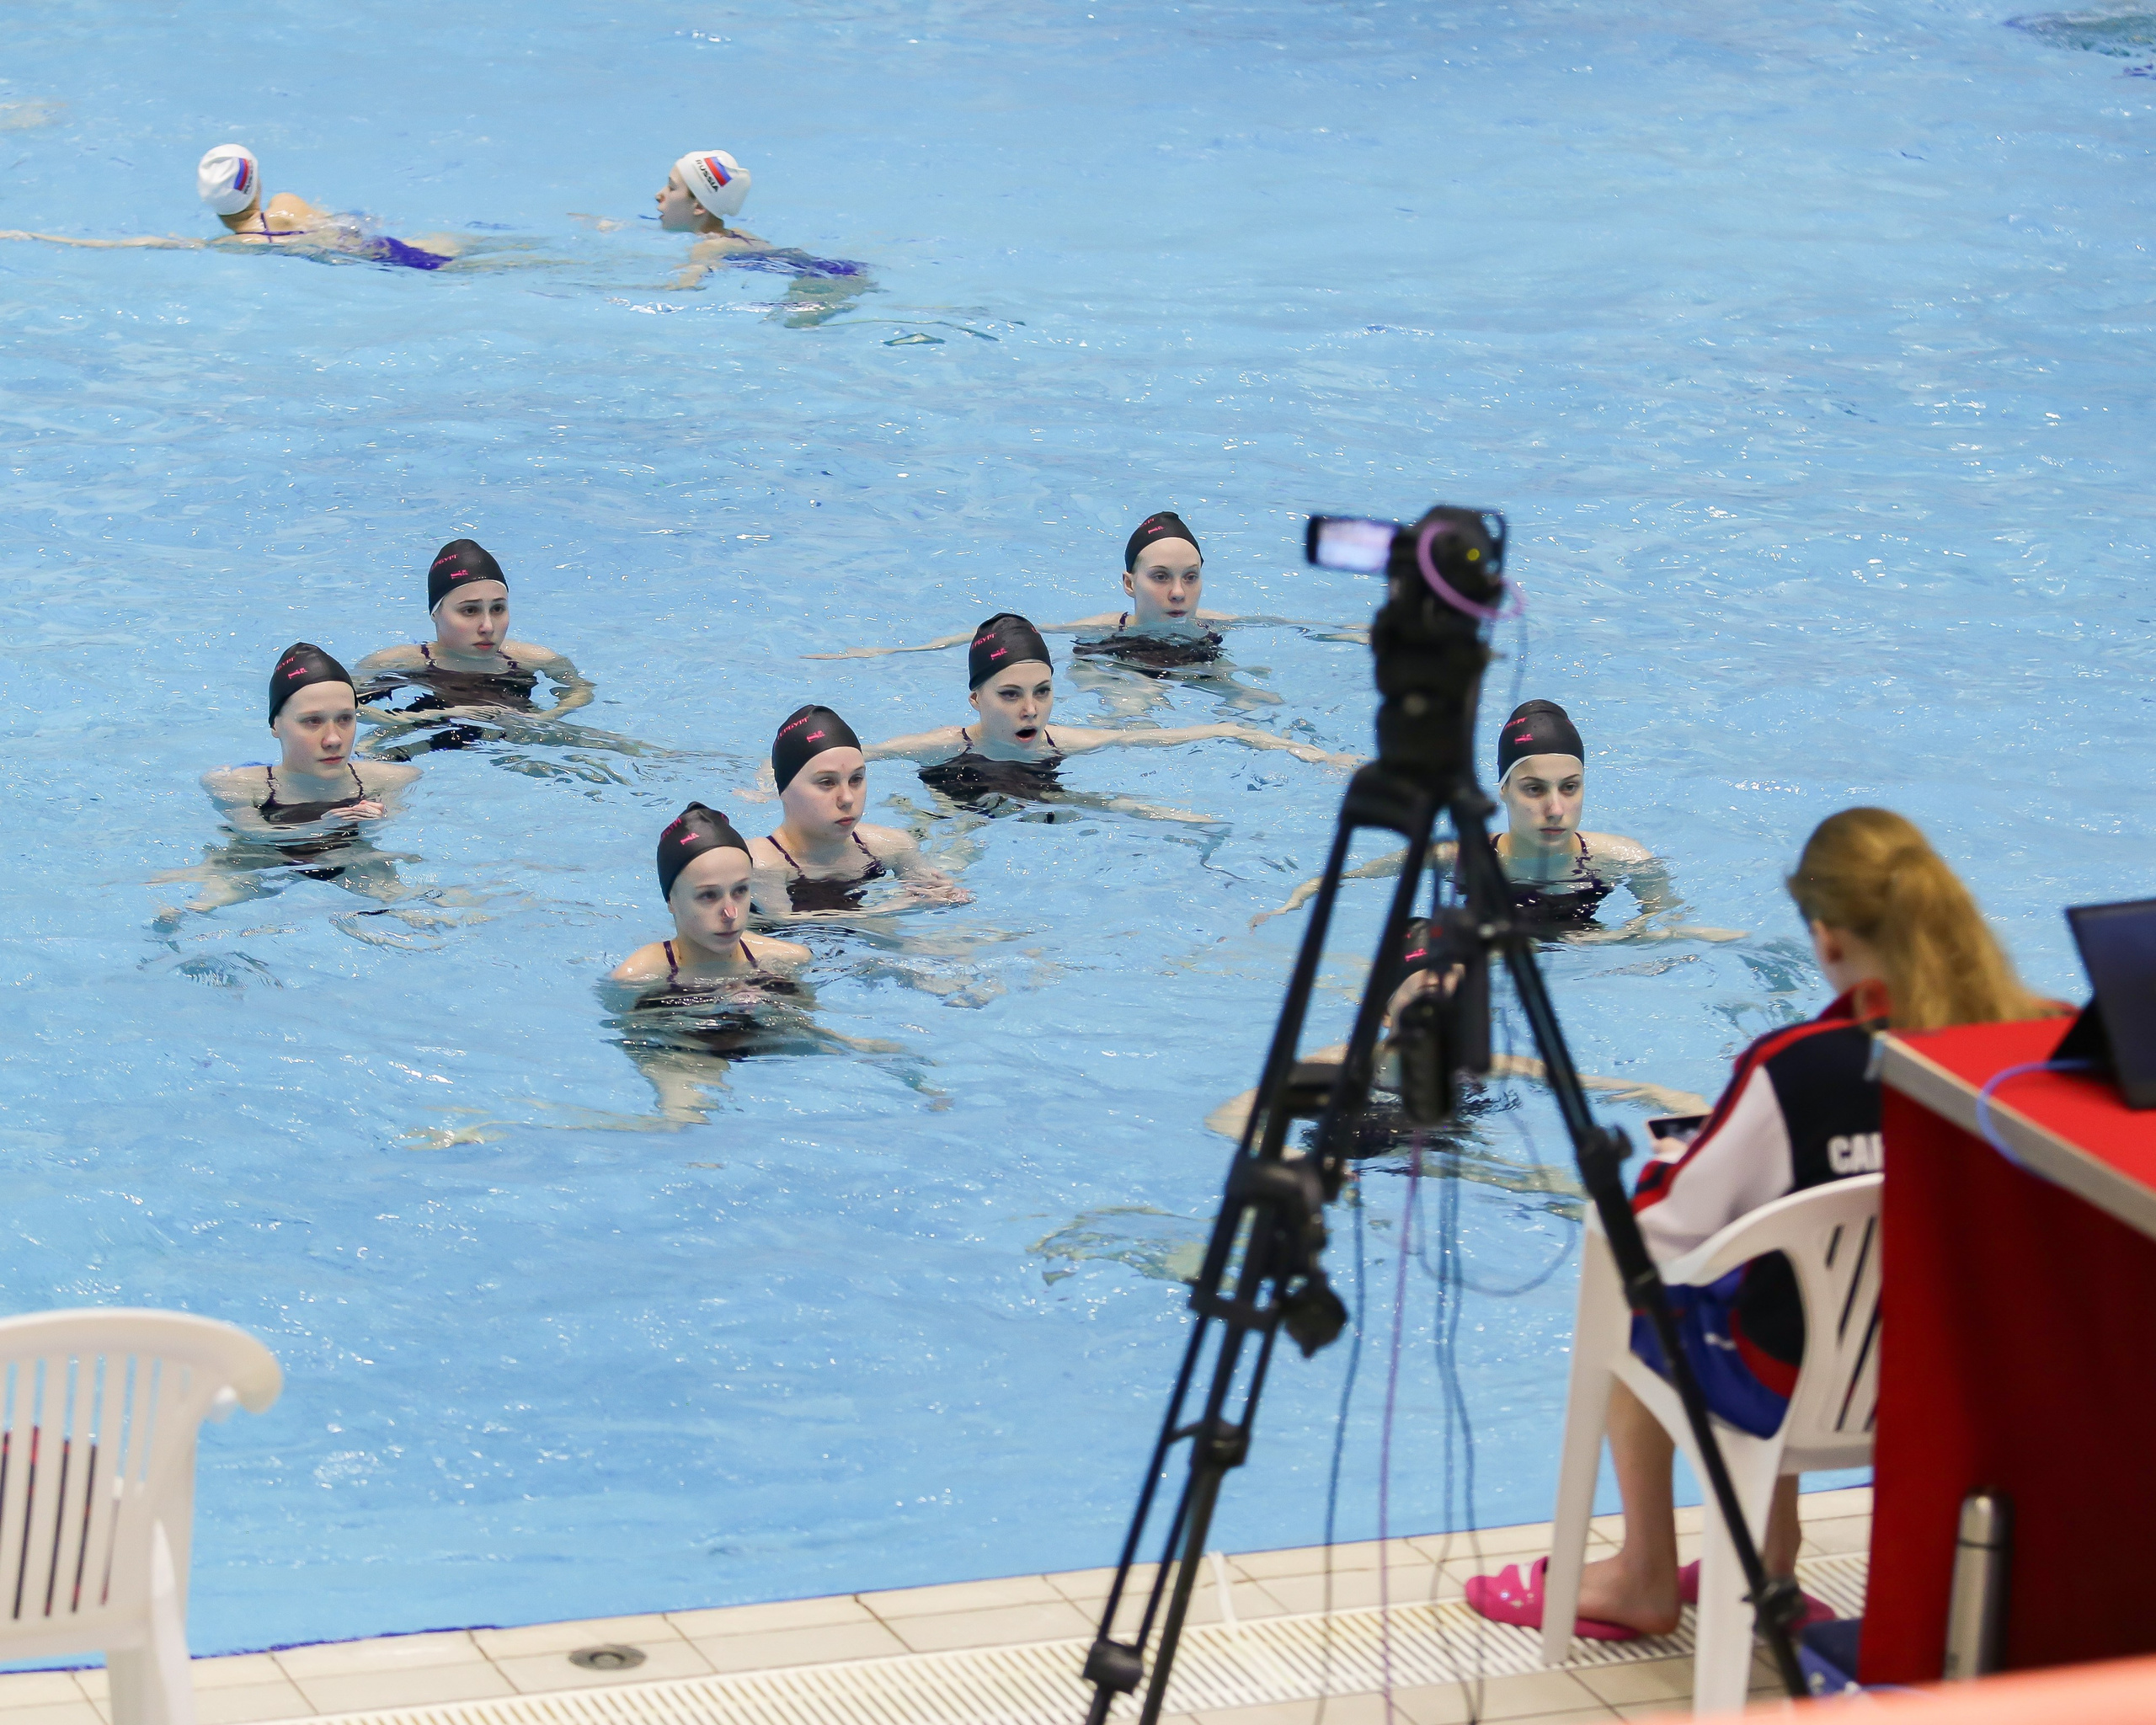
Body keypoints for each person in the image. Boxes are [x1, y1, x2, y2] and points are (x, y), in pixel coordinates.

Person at [1464, 807, 2061, 1641]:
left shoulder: (1799, 1068)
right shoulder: (2037, 1039)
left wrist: (1669, 1165)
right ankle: (1767, 1558)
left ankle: (1643, 1573)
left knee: (1644, 1295)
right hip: (1965, 1379)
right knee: (1776, 1281)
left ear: (1826, 939)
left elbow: (1668, 1230)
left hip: (1809, 1387)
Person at [1251, 700, 1690, 934]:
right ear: (1502, 792)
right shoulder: (1456, 858)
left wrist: (1609, 942)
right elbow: (1346, 879)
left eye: (1569, 787)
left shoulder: (1625, 860)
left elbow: (1668, 923)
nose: (1555, 808)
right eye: (1534, 789)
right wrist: (1291, 902)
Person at [863, 612, 1356, 809]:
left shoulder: (1062, 742)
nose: (1032, 710)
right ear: (976, 700)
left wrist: (1300, 750)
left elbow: (1210, 730)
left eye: (1043, 691)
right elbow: (849, 757)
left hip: (1035, 797)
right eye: (1010, 695)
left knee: (1163, 817)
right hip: (956, 800)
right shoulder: (947, 745)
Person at [354, 539, 591, 750]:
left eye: (498, 608)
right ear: (436, 613)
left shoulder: (535, 658)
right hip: (429, 734)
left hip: (520, 735)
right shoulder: (398, 662)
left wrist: (543, 719)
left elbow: (581, 691)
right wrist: (432, 715)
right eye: (470, 610)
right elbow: (339, 707)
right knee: (368, 750)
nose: (487, 626)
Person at [747, 705, 965, 915]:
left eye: (856, 779)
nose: (847, 798)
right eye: (827, 782)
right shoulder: (762, 864)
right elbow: (785, 924)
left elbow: (935, 897)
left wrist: (947, 895)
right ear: (783, 789)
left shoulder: (892, 847)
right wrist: (891, 909)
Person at [200, 643, 420, 836]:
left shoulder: (390, 782)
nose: (333, 739)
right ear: (275, 725)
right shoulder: (240, 787)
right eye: (313, 721)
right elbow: (255, 835)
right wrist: (321, 828)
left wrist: (374, 824)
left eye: (345, 719)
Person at [612, 803, 810, 991]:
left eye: (740, 891)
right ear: (672, 901)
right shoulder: (635, 978)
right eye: (708, 895)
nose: (731, 913)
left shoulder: (789, 960)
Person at [655, 149, 868, 323]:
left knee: (787, 328)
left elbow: (686, 288)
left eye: (672, 188)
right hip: (843, 271)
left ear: (699, 206)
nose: (659, 195)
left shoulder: (708, 247)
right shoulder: (738, 236)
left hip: (824, 282)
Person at [195, 144, 454, 270]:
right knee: (462, 257)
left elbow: (191, 244)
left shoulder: (235, 245)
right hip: (381, 248)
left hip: (363, 265)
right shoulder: (286, 204)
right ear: (255, 186)